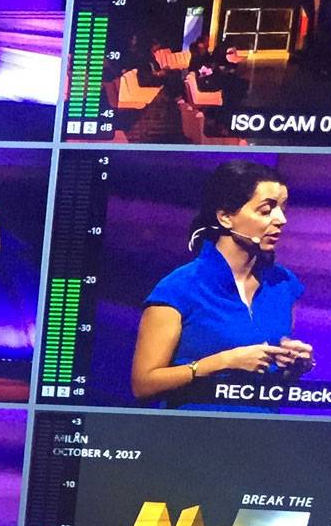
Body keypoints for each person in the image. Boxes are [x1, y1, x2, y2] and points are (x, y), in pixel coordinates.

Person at [129, 160, 313, 410]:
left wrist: (294, 366)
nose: (281, 219)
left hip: (261, 429)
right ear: (226, 217)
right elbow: (143, 384)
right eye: (266, 210)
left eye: (282, 208)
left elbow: (273, 384)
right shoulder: (180, 288)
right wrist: (221, 362)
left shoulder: (284, 284)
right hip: (195, 429)